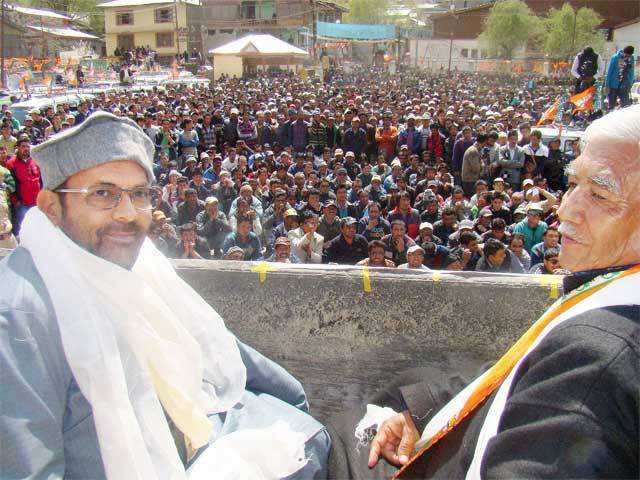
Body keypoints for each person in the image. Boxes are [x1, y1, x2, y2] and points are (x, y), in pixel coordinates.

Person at [0, 112, 329, 479]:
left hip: (194, 429)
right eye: (103, 194)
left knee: (309, 436)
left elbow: (212, 340)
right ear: (51, 207)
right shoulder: (17, 313)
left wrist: (293, 397)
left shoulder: (137, 263)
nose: (126, 213)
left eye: (138, 194)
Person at [326, 105, 640, 480]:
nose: (567, 209)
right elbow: (514, 375)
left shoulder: (598, 358)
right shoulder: (605, 289)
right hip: (441, 440)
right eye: (573, 186)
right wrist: (419, 412)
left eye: (600, 196)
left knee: (328, 442)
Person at [6, 137, 41, 234]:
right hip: (22, 204)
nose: (26, 148)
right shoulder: (11, 164)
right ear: (18, 148)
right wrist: (16, 201)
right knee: (24, 231)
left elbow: (40, 180)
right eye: (23, 146)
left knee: (38, 229)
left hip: (37, 203)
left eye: (27, 146)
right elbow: (10, 184)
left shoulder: (35, 161)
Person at [605, 46, 635, 110]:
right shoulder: (615, 57)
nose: (627, 57)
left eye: (629, 56)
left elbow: (631, 72)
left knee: (626, 106)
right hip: (613, 85)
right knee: (611, 106)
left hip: (625, 85)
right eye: (627, 55)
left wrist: (630, 83)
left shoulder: (631, 58)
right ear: (624, 52)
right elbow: (609, 72)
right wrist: (607, 85)